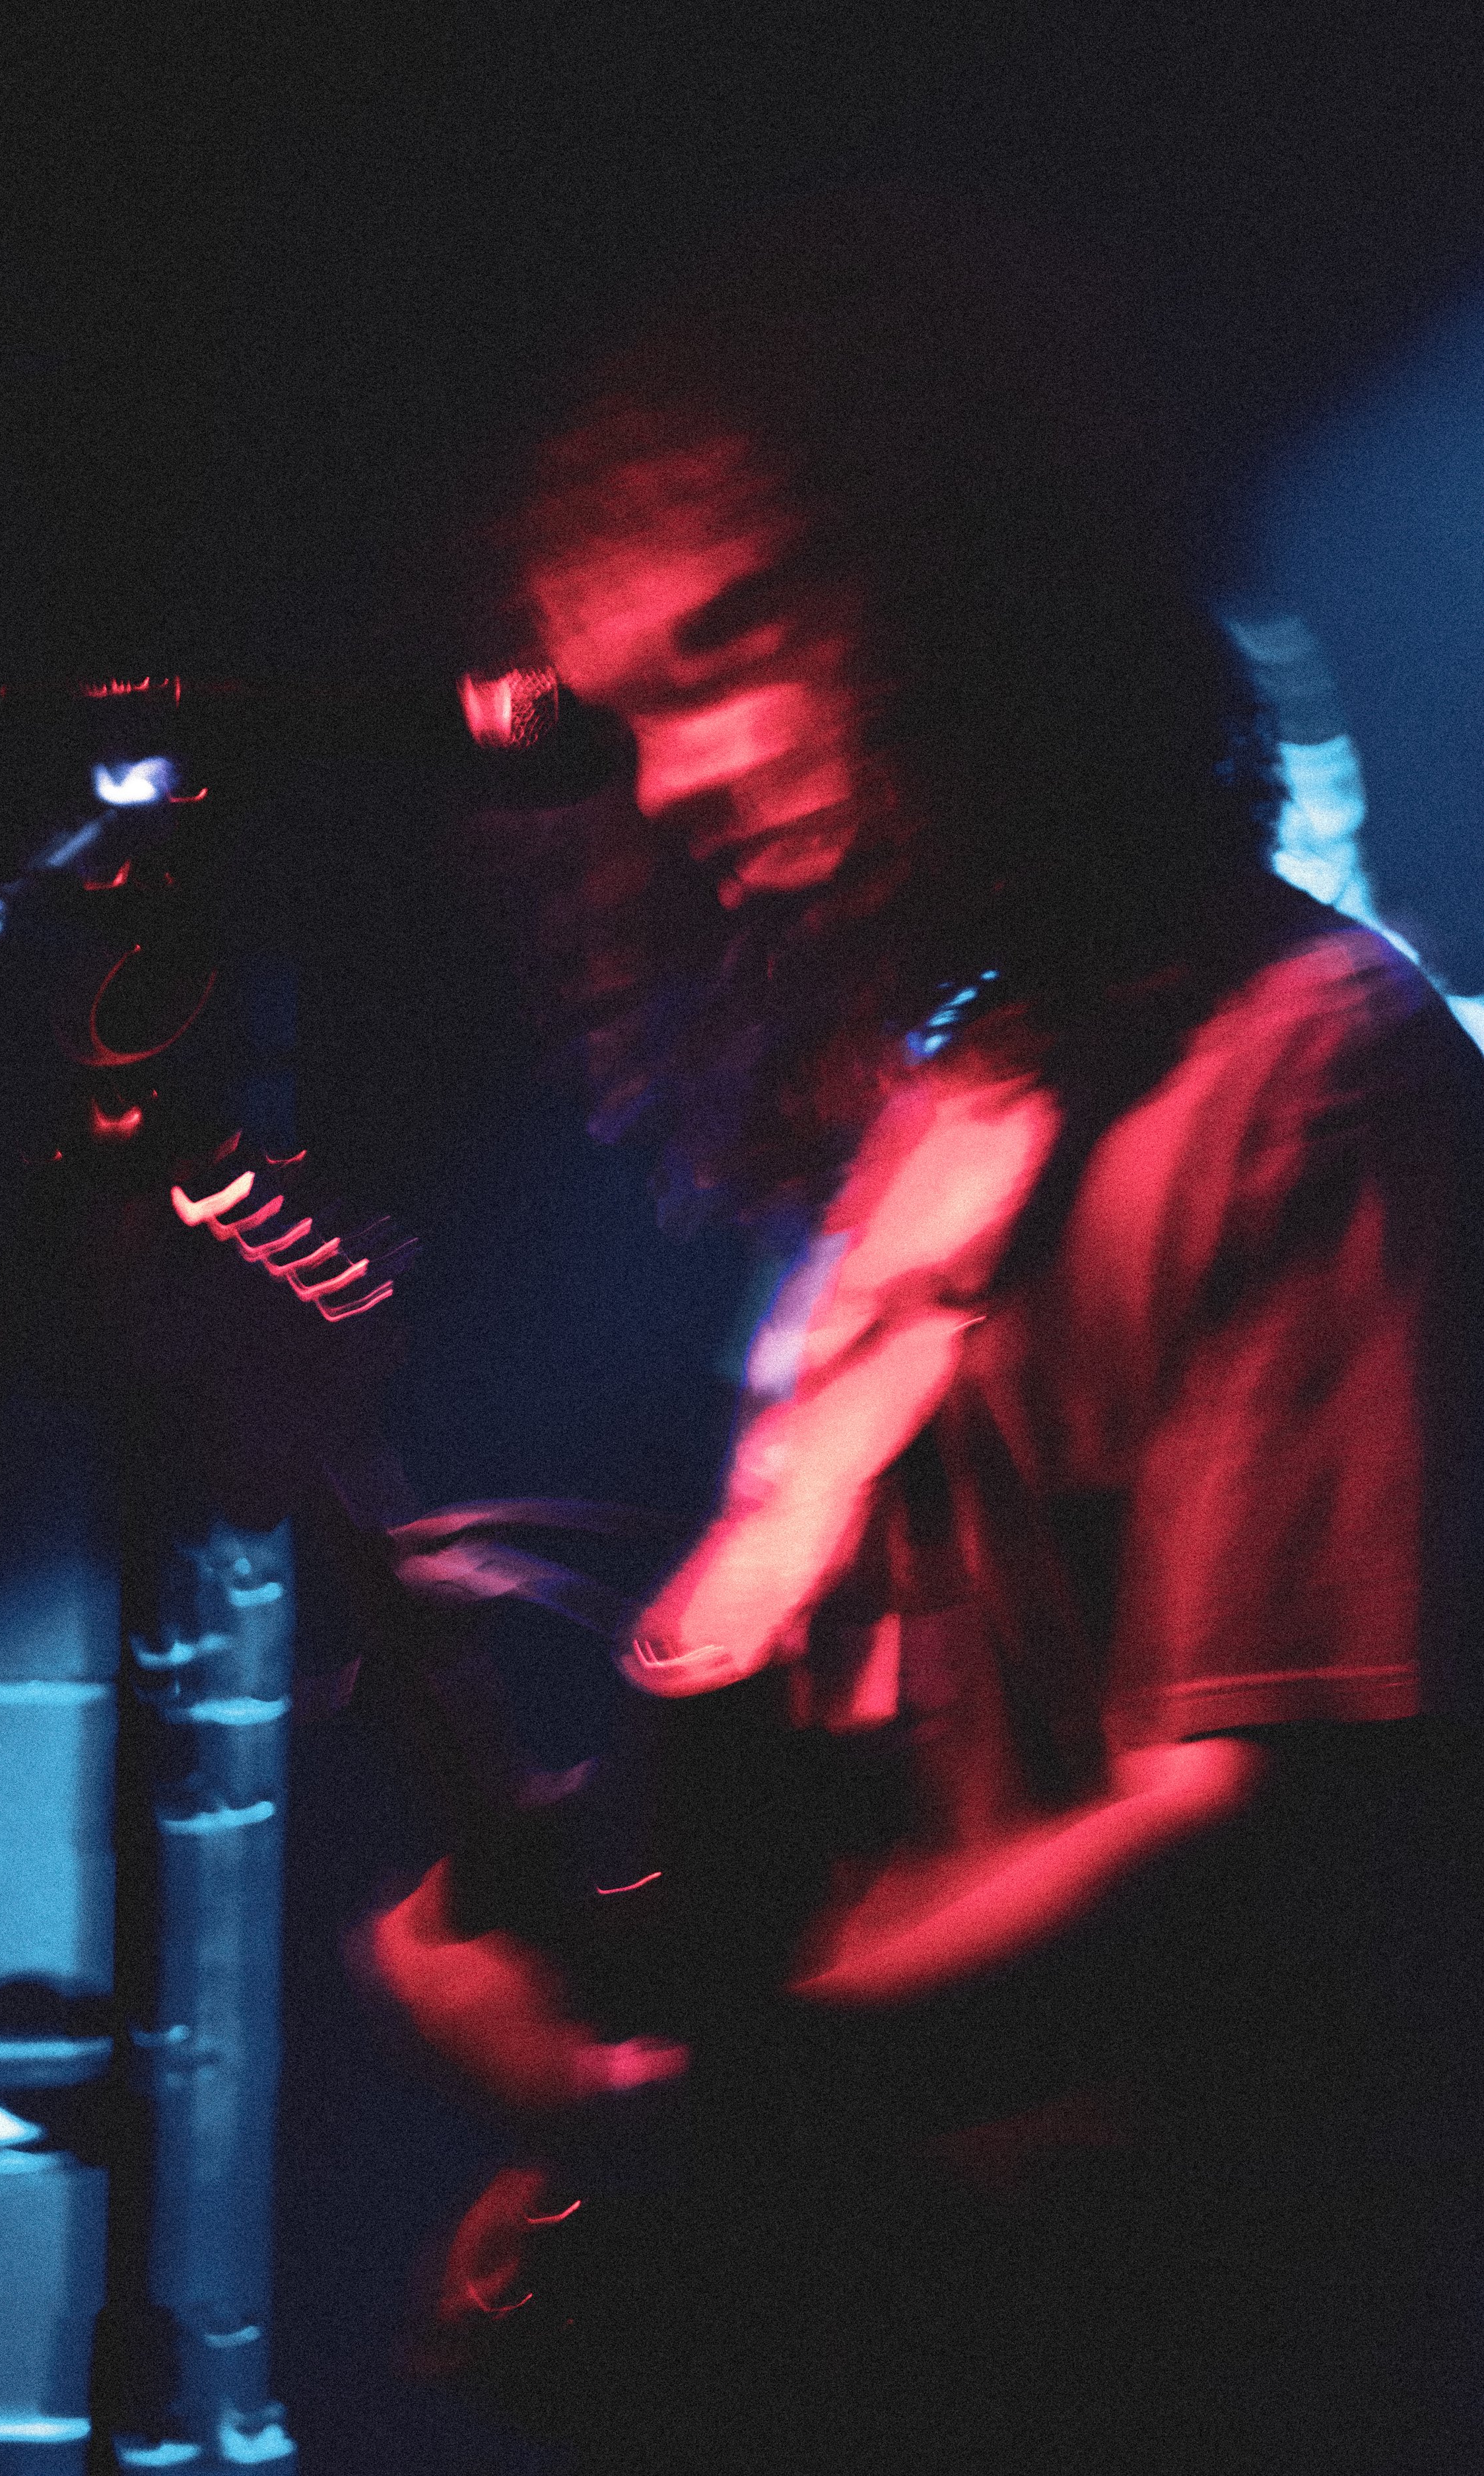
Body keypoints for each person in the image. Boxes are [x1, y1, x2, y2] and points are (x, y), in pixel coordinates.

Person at [358, 195, 1484, 2473]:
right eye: (625, 706)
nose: (669, 780)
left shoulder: (1308, 1077)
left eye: (738, 649)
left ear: (982, 606)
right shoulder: (937, 1115)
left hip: (1175, 2352)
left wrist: (748, 2092)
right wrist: (527, 1962)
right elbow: (861, 1785)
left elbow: (1267, 1832)